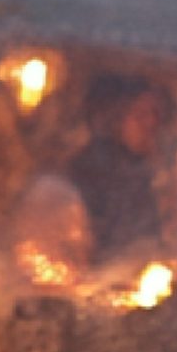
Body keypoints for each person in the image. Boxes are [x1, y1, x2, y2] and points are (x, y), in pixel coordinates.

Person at [64, 75, 167, 265]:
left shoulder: (147, 174)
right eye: (140, 115)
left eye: (155, 114)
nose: (151, 124)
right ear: (115, 119)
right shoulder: (89, 175)